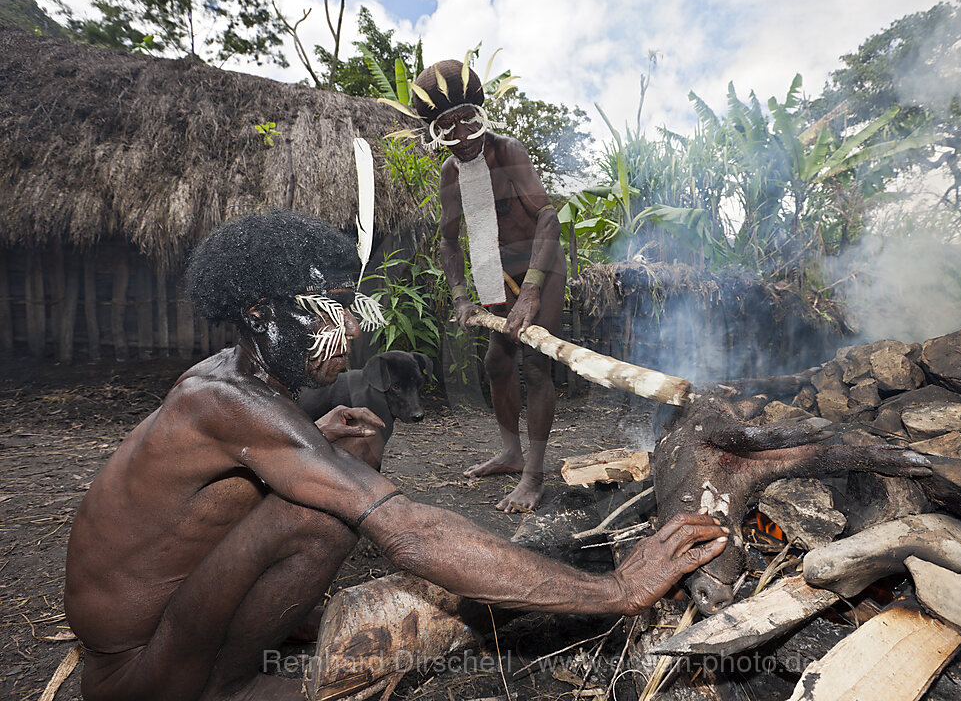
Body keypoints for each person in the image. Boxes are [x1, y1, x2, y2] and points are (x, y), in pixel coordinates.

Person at [63, 209, 729, 701]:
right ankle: (229, 688)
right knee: (324, 511)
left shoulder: (244, 383)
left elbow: (213, 502)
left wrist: (322, 443)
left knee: (347, 446)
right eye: (330, 309)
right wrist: (613, 588)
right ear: (263, 314)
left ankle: (255, 647)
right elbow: (405, 531)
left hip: (171, 628)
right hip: (142, 674)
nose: (350, 328)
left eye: (351, 309)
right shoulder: (218, 400)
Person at [413, 59, 565, 513]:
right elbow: (449, 241)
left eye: (467, 121)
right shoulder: (449, 176)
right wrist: (460, 294)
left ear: (481, 114)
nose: (462, 136)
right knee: (497, 365)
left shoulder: (509, 151)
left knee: (536, 367)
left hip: (543, 270)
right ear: (435, 134)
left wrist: (533, 289)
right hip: (496, 278)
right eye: (448, 128)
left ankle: (534, 477)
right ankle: (512, 453)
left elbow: (547, 216)